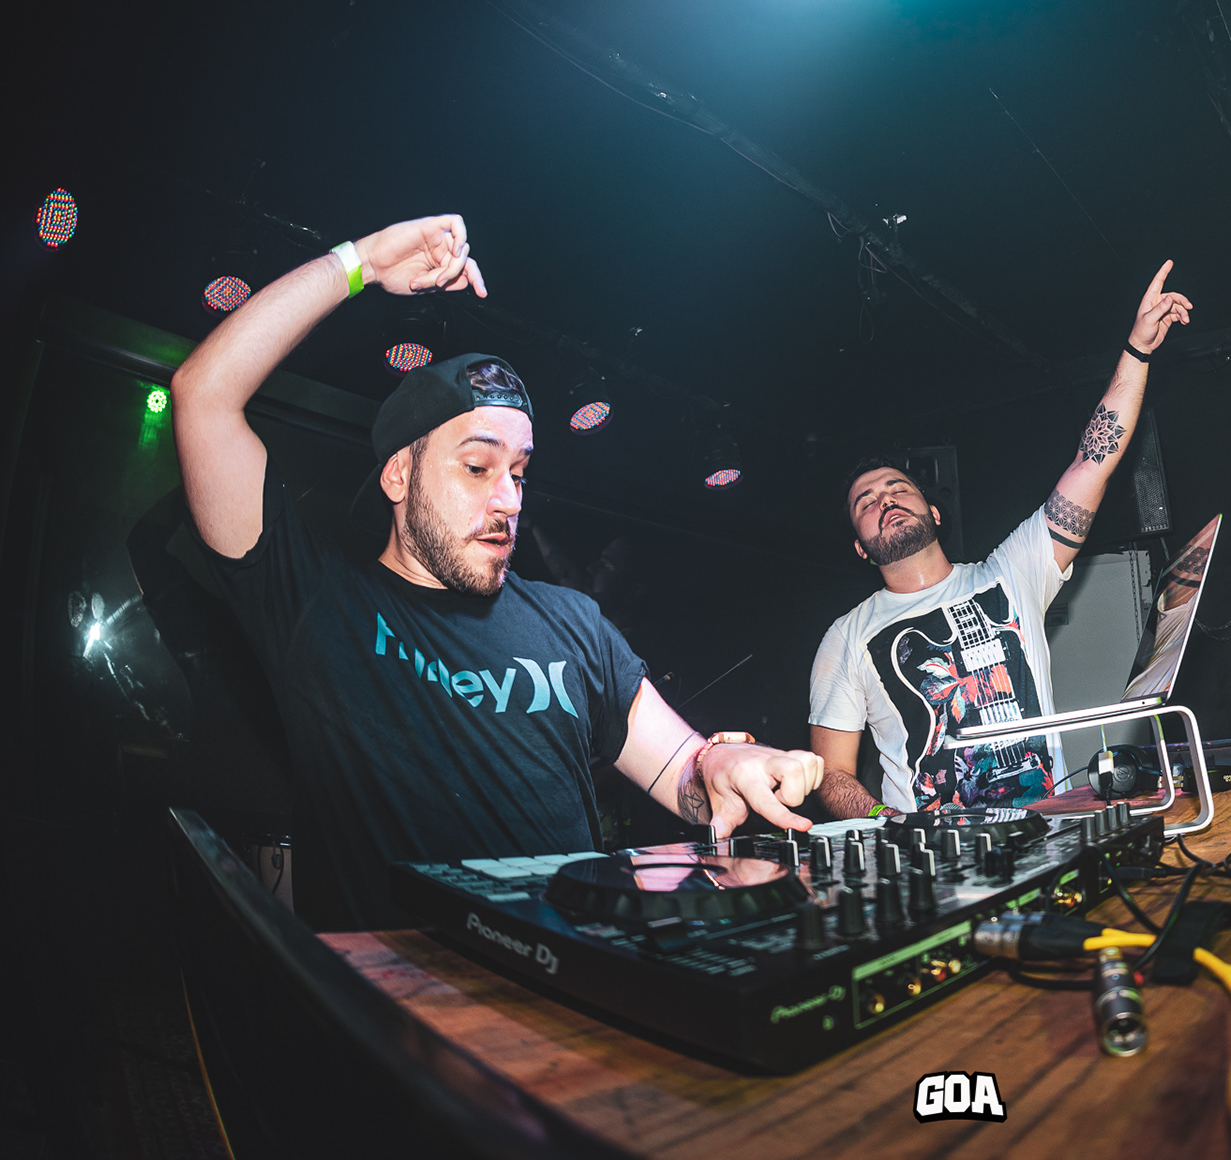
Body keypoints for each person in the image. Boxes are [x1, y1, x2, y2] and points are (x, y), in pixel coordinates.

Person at [170, 214, 823, 929]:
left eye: (518, 472)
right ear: (398, 475)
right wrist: (361, 263)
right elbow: (203, 395)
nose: (509, 498)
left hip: (574, 976)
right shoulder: (316, 605)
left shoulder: (572, 622)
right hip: (403, 990)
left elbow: (683, 771)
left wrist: (721, 768)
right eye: (478, 467)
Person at [808, 262, 1194, 817]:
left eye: (897, 488)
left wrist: (1136, 352)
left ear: (933, 512)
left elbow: (1093, 461)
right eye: (865, 502)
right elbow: (832, 774)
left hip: (1046, 828)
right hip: (934, 853)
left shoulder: (1012, 572)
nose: (884, 500)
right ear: (860, 547)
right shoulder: (847, 637)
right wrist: (891, 828)